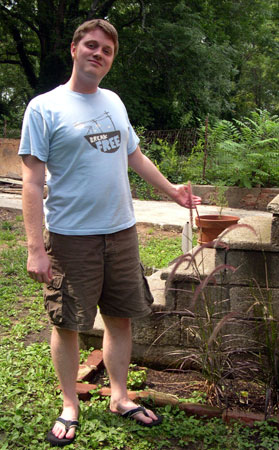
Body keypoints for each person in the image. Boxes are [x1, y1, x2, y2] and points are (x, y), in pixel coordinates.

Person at [19, 18, 201, 447]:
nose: (98, 54)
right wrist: (34, 248)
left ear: (110, 60)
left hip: (121, 232)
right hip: (70, 236)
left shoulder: (114, 102)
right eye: (92, 45)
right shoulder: (44, 107)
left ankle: (120, 397)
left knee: (120, 318)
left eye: (107, 51)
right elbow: (31, 181)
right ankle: (69, 405)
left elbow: (133, 154)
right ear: (74, 48)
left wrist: (172, 190)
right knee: (67, 324)